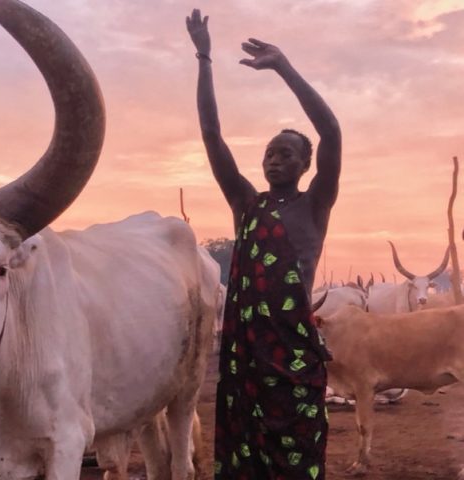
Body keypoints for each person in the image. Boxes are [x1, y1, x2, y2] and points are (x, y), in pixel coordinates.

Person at [186, 8, 341, 480]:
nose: (274, 160)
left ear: (305, 164)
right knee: (245, 458)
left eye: (286, 153)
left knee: (297, 455)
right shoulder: (246, 204)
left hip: (294, 359)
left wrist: (283, 67)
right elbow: (212, 136)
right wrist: (204, 58)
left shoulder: (315, 204)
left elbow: (331, 132)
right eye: (269, 153)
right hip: (248, 360)